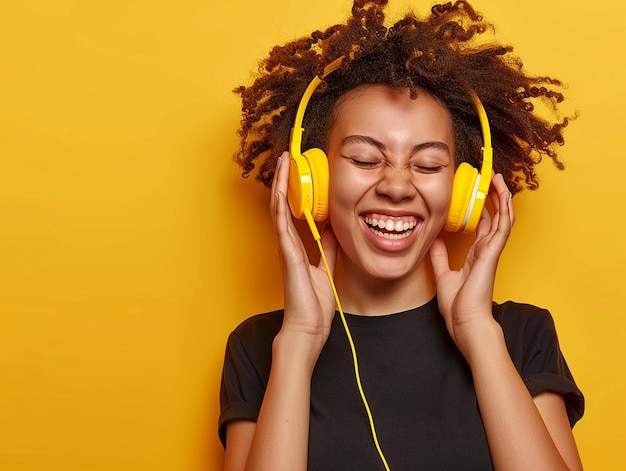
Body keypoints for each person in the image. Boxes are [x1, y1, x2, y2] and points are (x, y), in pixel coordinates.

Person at [219, 0, 585, 469]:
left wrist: (477, 332)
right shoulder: (259, 346)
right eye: (365, 159)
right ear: (316, 179)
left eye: (428, 164)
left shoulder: (518, 335)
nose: (396, 186)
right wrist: (299, 340)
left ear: (462, 192)